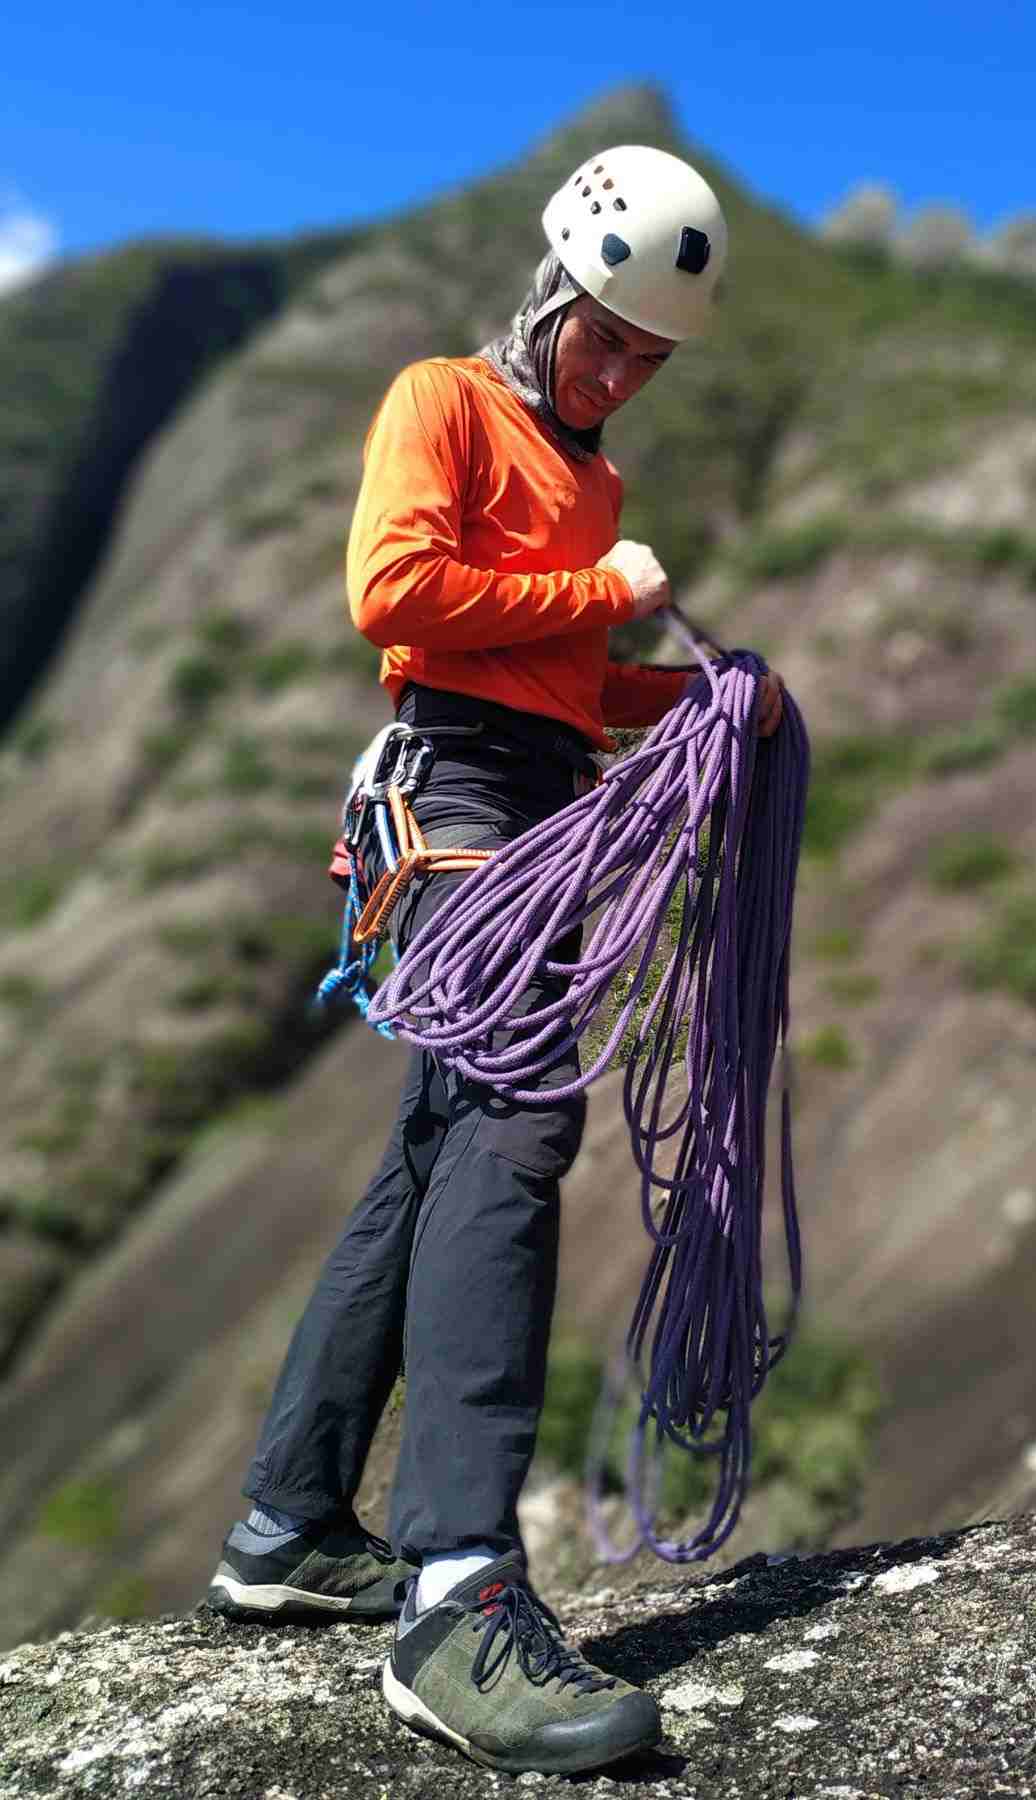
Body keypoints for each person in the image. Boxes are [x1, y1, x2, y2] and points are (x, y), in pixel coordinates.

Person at [206, 144, 784, 1777]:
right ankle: (456, 1585)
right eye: (602, 331)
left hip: (534, 789)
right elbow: (394, 592)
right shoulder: (441, 401)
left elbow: (561, 679)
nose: (615, 368)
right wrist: (597, 589)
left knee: (440, 1147)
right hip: (453, 788)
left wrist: (706, 703)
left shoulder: (591, 480)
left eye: (644, 357)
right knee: (525, 1118)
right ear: (552, 290)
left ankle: (287, 1522)